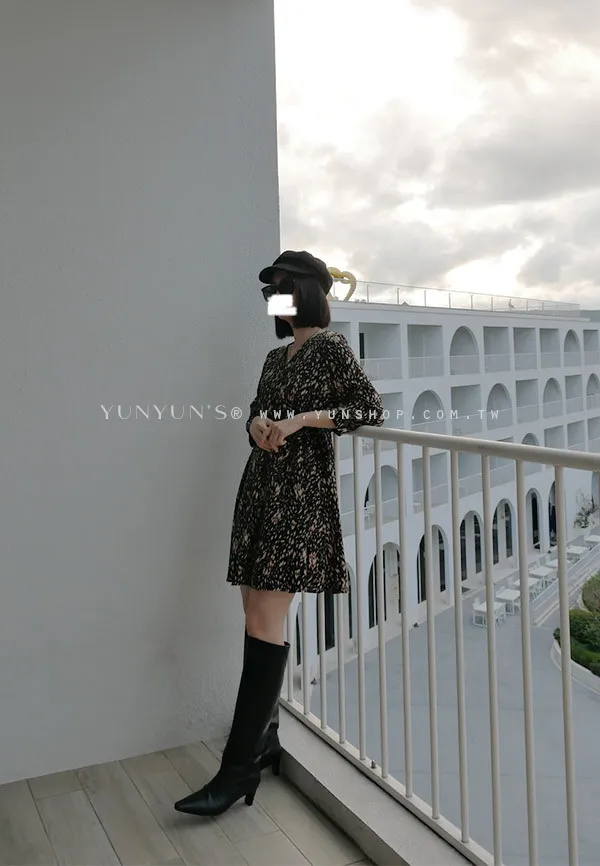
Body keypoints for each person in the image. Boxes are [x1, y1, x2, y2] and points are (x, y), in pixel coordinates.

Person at [174, 250, 384, 817]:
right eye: (270, 292)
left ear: (309, 291)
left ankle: (236, 768)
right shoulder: (275, 357)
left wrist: (299, 420)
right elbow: (255, 413)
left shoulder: (331, 349)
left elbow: (368, 408)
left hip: (298, 499)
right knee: (255, 614)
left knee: (262, 621)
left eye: (283, 289)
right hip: (261, 490)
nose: (274, 299)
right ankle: (264, 739)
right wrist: (258, 423)